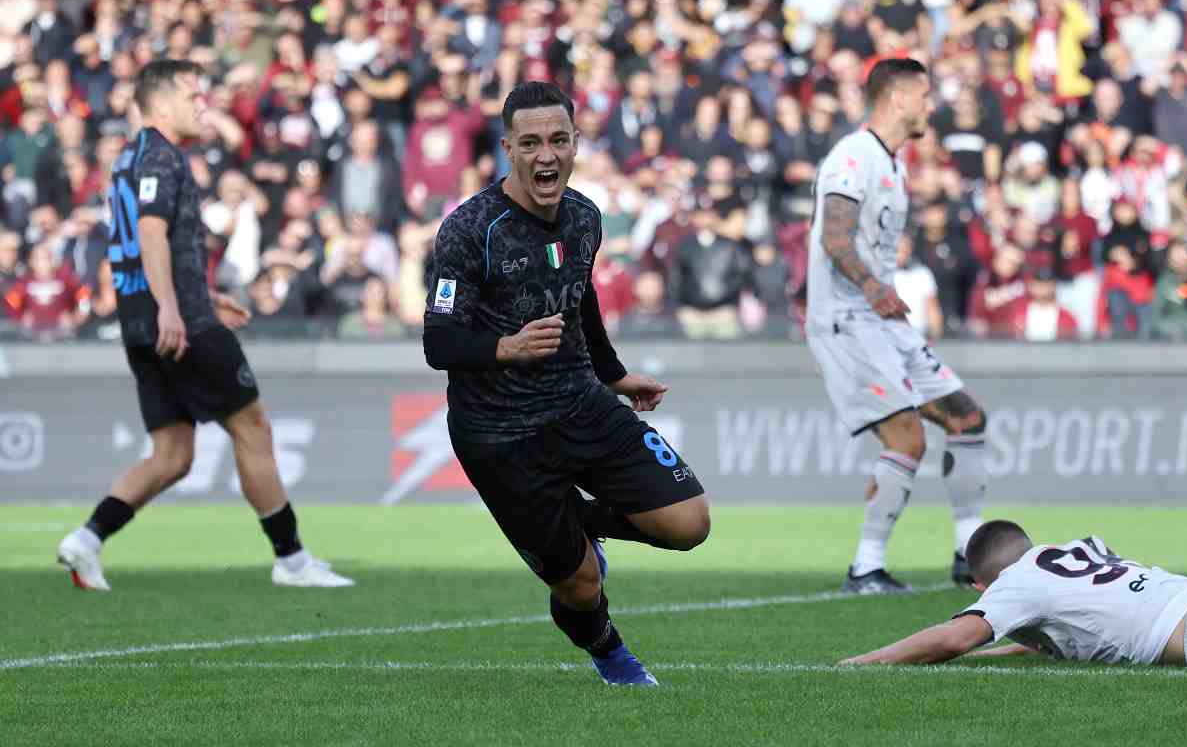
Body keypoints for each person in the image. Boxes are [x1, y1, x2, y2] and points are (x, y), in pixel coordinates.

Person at [422, 81, 710, 686]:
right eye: (530, 143)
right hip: (500, 436)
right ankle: (613, 656)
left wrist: (615, 375)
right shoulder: (471, 230)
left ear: (577, 142)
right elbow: (438, 343)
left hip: (580, 403)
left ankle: (581, 521)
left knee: (689, 521)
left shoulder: (585, 216)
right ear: (508, 149)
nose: (545, 155)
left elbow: (581, 301)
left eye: (558, 140)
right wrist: (507, 347)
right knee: (581, 586)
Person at [56, 60, 352, 592]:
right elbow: (149, 234)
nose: (203, 105)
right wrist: (176, 307)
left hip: (144, 320)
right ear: (162, 104)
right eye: (194, 96)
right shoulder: (163, 157)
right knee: (252, 426)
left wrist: (200, 293)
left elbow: (151, 246)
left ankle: (88, 538)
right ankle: (291, 560)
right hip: (177, 322)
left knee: (173, 454)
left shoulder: (128, 160)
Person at [805, 59, 990, 595]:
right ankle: (865, 568)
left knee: (967, 418)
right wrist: (871, 287)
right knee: (907, 437)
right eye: (925, 96)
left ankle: (967, 552)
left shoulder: (893, 164)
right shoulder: (853, 156)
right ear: (899, 99)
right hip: (848, 319)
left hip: (883, 320)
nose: (932, 106)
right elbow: (834, 240)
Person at [841, 520, 1187, 668]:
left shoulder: (1015, 583)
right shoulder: (1077, 551)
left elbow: (955, 639)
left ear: (982, 586)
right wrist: (994, 653)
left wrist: (859, 662)